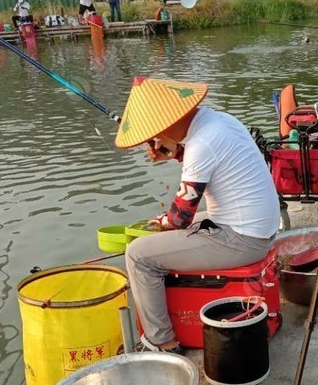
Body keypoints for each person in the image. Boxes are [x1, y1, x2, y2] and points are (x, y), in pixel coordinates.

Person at [116, 77, 280, 353]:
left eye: (155, 132)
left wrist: (163, 224)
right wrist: (173, 153)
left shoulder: (201, 144)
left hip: (242, 240)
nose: (154, 138)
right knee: (167, 228)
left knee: (138, 254)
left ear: (168, 123)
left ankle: (161, 341)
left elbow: (179, 217)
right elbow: (207, 166)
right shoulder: (220, 122)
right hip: (257, 227)